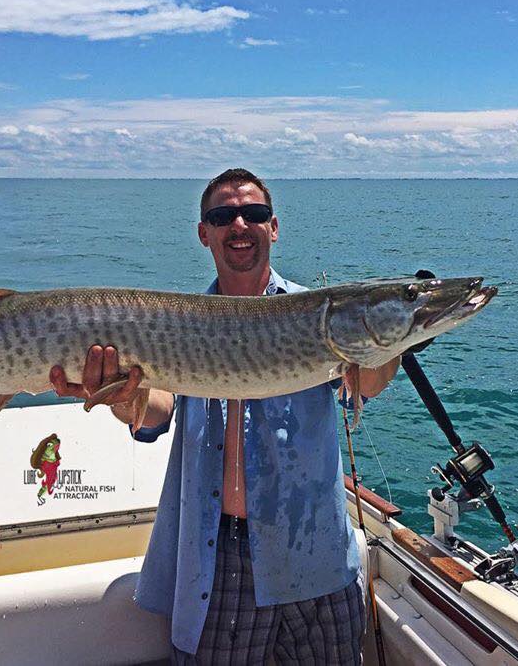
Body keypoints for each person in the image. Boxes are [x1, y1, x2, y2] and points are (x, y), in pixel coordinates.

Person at [50, 169, 400, 664]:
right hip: (218, 560)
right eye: (223, 216)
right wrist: (118, 397)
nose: (240, 224)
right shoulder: (178, 324)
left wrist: (395, 336)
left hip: (316, 554)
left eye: (253, 214)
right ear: (204, 233)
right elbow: (157, 411)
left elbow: (365, 383)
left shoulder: (318, 317)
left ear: (273, 227)